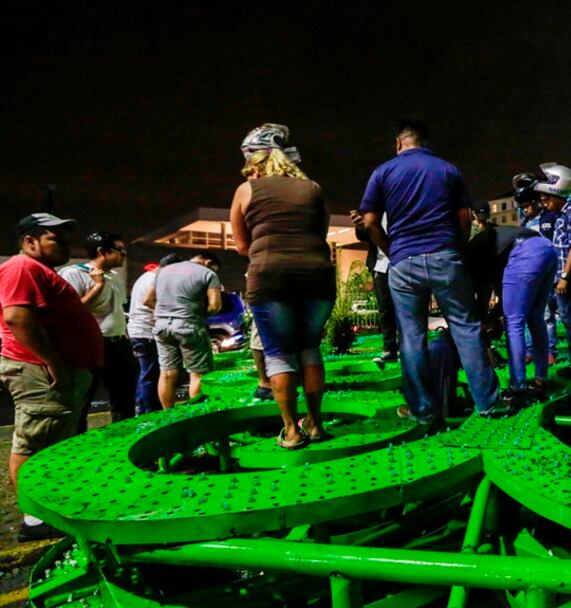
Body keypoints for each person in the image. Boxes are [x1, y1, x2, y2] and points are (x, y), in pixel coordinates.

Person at [352, 120, 502, 424]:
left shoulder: (383, 172)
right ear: (427, 144)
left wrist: (393, 251)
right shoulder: (448, 170)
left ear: (398, 144)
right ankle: (488, 404)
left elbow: (369, 222)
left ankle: (422, 410)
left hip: (404, 261)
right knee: (466, 328)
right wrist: (455, 248)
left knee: (411, 337)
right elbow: (464, 218)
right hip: (444, 255)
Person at [230, 123, 337, 449]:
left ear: (257, 162)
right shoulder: (313, 188)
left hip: (270, 275)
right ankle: (316, 424)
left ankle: (291, 431)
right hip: (316, 275)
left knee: (278, 354)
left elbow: (241, 247)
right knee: (309, 348)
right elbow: (320, 235)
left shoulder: (246, 190)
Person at [0, 214, 103, 541]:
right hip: (39, 371)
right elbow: (17, 317)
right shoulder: (22, 268)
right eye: (54, 239)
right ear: (30, 241)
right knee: (35, 441)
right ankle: (35, 519)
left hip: (56, 370)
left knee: (52, 440)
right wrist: (54, 363)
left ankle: (51, 507)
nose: (66, 246)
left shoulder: (40, 271)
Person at [467, 224, 558, 402]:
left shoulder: (472, 260)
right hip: (547, 249)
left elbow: (484, 293)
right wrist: (491, 317)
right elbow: (500, 295)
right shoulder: (488, 249)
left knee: (514, 323)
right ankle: (541, 378)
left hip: (523, 252)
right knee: (536, 318)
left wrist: (485, 319)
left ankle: (518, 387)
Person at [59, 231, 136, 429]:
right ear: (102, 251)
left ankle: (123, 441)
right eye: (120, 250)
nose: (124, 255)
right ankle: (77, 444)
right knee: (83, 399)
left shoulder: (114, 276)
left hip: (118, 343)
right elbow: (69, 312)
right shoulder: (73, 274)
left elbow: (118, 310)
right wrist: (97, 286)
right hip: (91, 345)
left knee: (124, 397)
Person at [146, 252, 222, 408]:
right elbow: (215, 305)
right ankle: (196, 415)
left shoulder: (163, 271)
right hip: (188, 325)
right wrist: (195, 314)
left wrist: (167, 312)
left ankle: (169, 415)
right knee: (198, 373)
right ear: (208, 262)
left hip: (161, 325)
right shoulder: (208, 273)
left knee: (167, 373)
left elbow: (147, 300)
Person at [537, 162, 571, 380]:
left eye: (548, 198)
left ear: (559, 192)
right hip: (560, 277)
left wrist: (565, 277)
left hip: (569, 277)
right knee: (567, 321)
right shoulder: (560, 215)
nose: (545, 202)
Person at [127, 253, 182, 414]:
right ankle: (150, 411)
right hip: (146, 332)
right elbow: (148, 301)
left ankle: (142, 408)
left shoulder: (146, 276)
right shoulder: (157, 279)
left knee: (145, 373)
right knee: (151, 375)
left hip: (138, 331)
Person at [515, 173, 558, 364]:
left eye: (527, 206)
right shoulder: (523, 224)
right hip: (528, 276)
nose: (525, 210)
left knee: (547, 315)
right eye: (522, 208)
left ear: (535, 201)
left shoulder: (549, 218)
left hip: (546, 275)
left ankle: (549, 351)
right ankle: (530, 350)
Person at [357, 214, 398, 368]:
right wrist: (361, 225)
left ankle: (409, 349)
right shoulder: (376, 210)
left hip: (401, 260)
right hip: (380, 266)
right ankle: (390, 349)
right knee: (385, 309)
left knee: (405, 308)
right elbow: (363, 235)